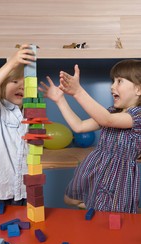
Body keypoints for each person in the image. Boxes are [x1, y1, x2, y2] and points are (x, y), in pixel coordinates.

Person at [38, 59, 141, 213]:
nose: (112, 86)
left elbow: (107, 120)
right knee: (70, 199)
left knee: (111, 217)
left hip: (117, 174)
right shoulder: (112, 111)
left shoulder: (137, 115)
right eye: (112, 81)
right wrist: (60, 100)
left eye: (119, 81)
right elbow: (79, 126)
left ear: (138, 89)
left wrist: (78, 92)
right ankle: (105, 210)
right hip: (95, 167)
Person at [0, 43, 36, 206]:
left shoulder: (31, 115)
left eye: (26, 84)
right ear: (2, 86)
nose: (21, 86)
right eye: (14, 81)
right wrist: (12, 63)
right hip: (0, 190)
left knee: (25, 229)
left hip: (25, 190)